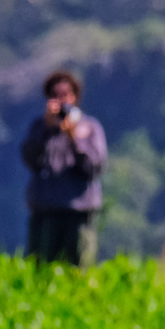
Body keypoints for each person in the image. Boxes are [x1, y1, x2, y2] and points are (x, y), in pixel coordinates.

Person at [20, 70, 108, 267]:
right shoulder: (39, 126)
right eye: (54, 95)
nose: (60, 101)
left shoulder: (90, 127)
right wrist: (46, 129)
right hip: (45, 211)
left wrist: (74, 138)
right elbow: (29, 160)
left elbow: (94, 167)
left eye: (65, 95)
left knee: (78, 268)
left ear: (75, 96)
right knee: (39, 268)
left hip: (78, 212)